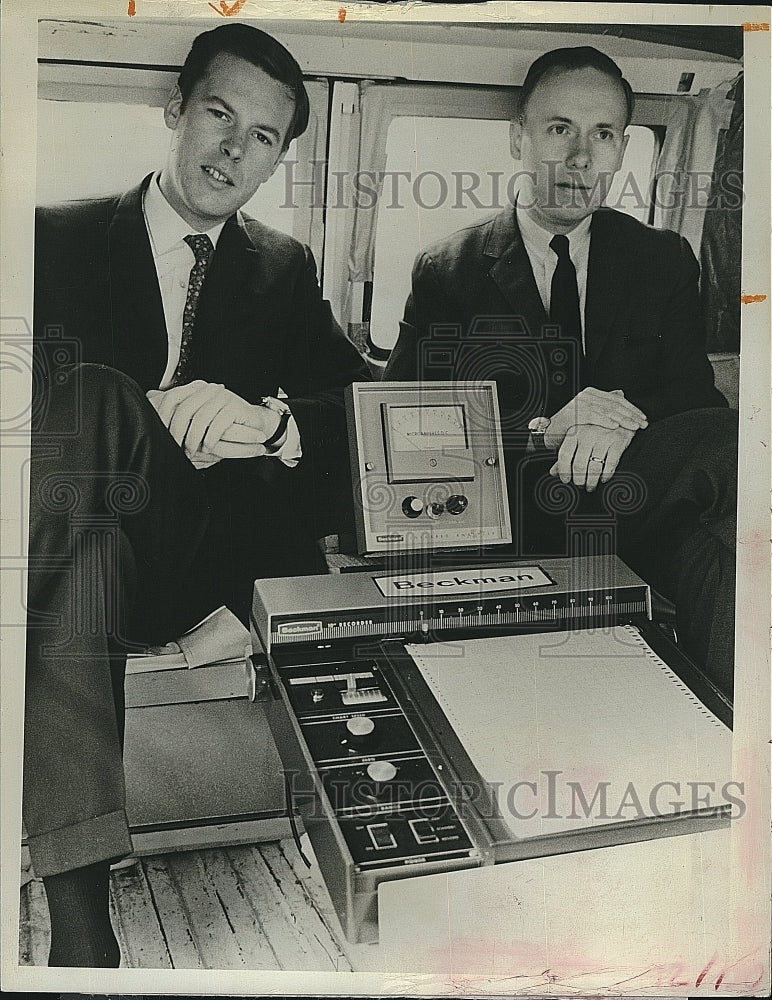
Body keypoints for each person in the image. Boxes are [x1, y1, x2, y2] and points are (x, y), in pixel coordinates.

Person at [27, 23, 369, 966]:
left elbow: (359, 400)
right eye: (219, 114)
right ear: (175, 112)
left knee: (97, 422)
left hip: (202, 557)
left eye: (262, 138)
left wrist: (272, 423)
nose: (233, 149)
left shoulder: (283, 269)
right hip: (73, 542)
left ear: (276, 161)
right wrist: (136, 417)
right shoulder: (51, 236)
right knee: (91, 456)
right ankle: (81, 925)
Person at [385, 46, 737, 700]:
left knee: (731, 507)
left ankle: (743, 761)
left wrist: (616, 423)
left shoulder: (662, 259)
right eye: (559, 130)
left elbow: (694, 401)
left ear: (621, 148)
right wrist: (551, 429)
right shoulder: (447, 269)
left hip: (634, 505)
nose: (581, 157)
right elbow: (408, 437)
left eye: (603, 135)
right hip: (518, 513)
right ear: (519, 138)